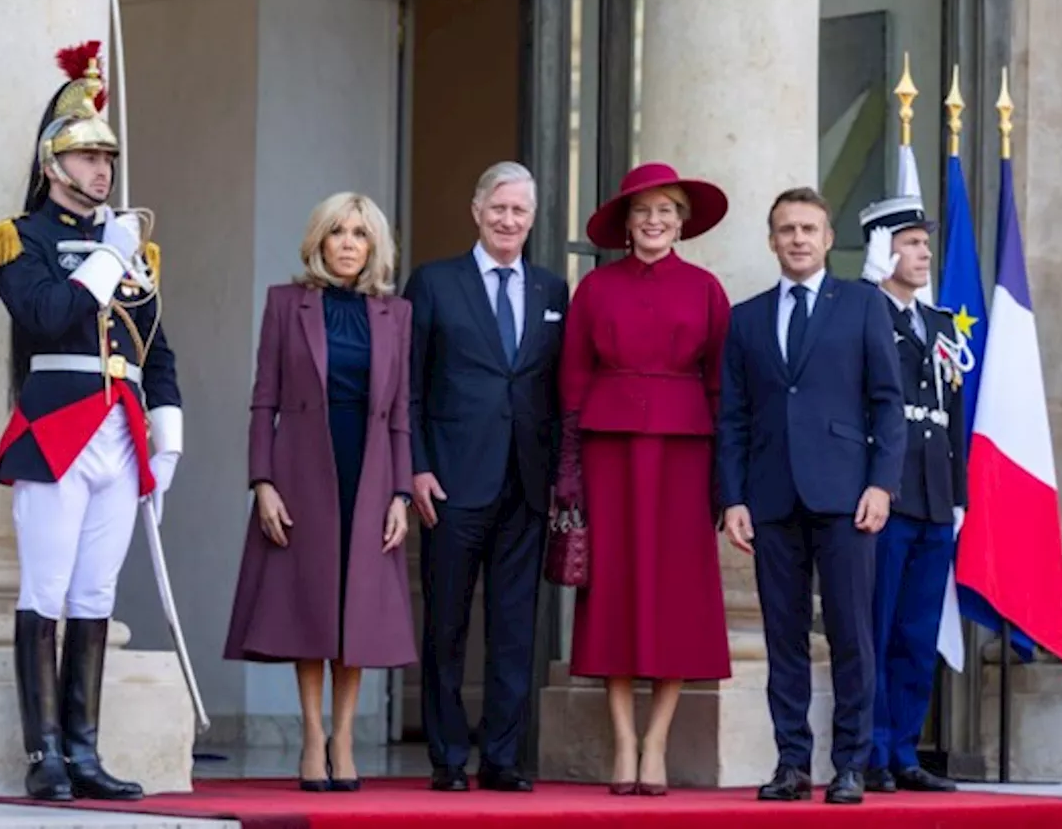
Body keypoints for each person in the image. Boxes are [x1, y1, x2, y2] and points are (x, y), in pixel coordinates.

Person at [0, 41, 182, 802]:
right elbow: (49, 315)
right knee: (48, 590)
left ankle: (85, 752)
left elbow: (157, 348)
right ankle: (44, 756)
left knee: (97, 596)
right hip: (55, 430)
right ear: (53, 164)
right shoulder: (17, 241)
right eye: (87, 157)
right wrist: (107, 257)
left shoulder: (129, 248)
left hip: (120, 434)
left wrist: (169, 434)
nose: (102, 171)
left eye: (107, 159)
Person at [223, 192, 417, 792]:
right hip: (302, 469)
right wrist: (263, 482)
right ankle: (312, 737)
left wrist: (401, 494)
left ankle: (344, 738)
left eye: (360, 233)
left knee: (354, 604)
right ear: (319, 241)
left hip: (372, 470)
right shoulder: (286, 304)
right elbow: (264, 400)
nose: (349, 244)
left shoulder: (396, 314)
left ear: (374, 245)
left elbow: (402, 411)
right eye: (338, 232)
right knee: (311, 603)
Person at [717, 187, 905, 805]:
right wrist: (733, 497)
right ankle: (791, 764)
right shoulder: (744, 319)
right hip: (771, 500)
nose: (798, 238)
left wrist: (882, 484)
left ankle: (850, 764)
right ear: (772, 240)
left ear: (828, 240)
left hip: (847, 497)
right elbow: (734, 417)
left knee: (851, 633)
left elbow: (887, 404)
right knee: (783, 638)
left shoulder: (862, 306)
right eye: (786, 229)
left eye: (809, 229)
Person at [555, 162, 732, 796]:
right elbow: (572, 383)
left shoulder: (708, 289)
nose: (654, 221)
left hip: (686, 455)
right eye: (643, 211)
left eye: (666, 210)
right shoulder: (596, 290)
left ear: (681, 222)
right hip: (609, 454)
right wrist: (568, 470)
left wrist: (724, 480)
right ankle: (623, 741)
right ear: (626, 223)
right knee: (613, 594)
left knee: (676, 597)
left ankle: (657, 741)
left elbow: (721, 387)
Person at [404, 161, 568, 793]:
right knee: (446, 623)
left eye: (519, 211)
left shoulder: (553, 291)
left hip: (526, 483)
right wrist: (416, 464)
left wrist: (558, 477)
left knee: (514, 627)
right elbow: (410, 387)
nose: (508, 221)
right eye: (498, 209)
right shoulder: (434, 283)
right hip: (449, 479)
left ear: (532, 218)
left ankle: (502, 757)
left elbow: (554, 390)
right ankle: (447, 756)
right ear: (477, 210)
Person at [857, 197, 966, 794]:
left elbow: (953, 413)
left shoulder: (941, 324)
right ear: (883, 248)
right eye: (913, 242)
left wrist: (960, 494)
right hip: (887, 494)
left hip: (932, 496)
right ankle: (871, 749)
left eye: (926, 243)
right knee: (875, 626)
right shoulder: (863, 314)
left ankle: (903, 749)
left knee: (917, 632)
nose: (925, 253)